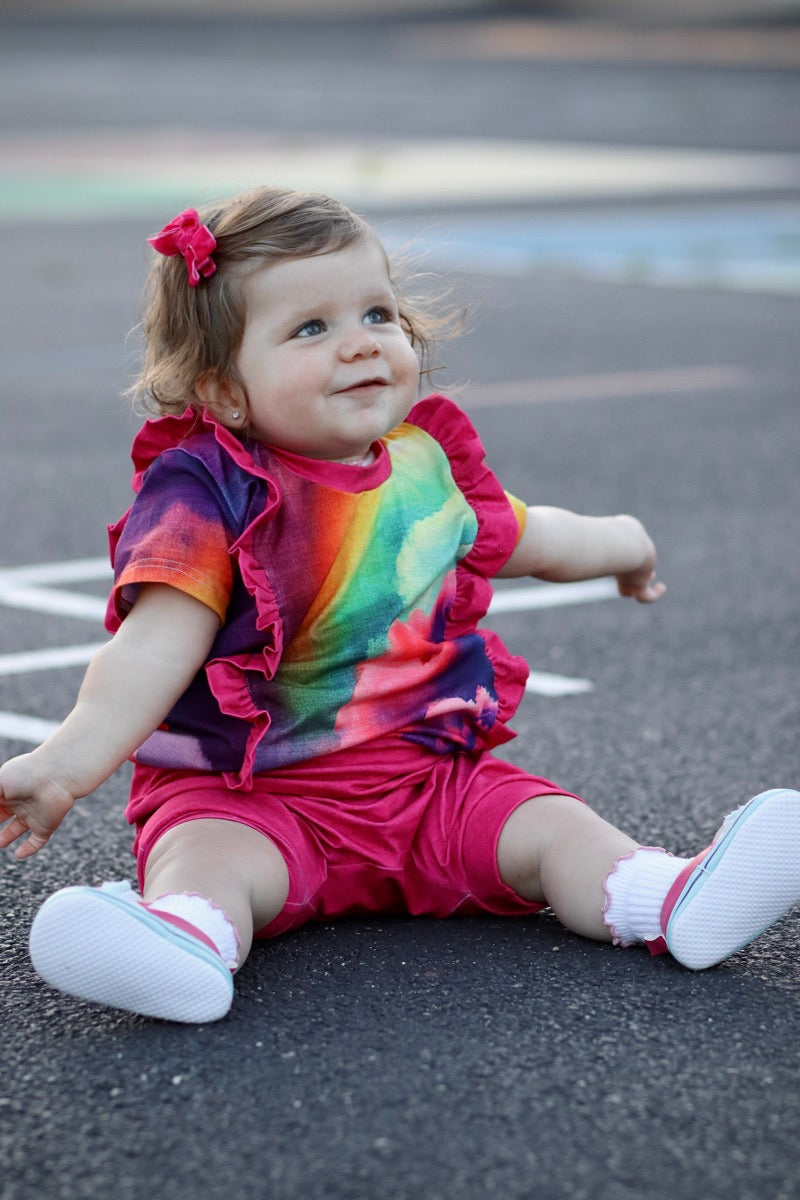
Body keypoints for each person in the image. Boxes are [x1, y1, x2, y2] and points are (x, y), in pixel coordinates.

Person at [1, 189, 798, 1025]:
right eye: (310, 329)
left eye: (377, 313)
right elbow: (149, 648)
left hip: (427, 787)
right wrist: (62, 766)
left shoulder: (426, 466)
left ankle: (662, 896)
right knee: (204, 857)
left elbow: (537, 537)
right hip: (255, 800)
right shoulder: (208, 491)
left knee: (552, 825)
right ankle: (185, 938)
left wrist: (628, 542)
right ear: (223, 390)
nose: (360, 344)